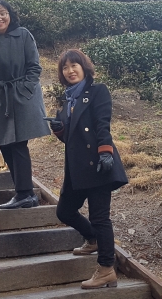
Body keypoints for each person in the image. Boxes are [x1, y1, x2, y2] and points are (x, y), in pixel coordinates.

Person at [50, 49, 128, 289]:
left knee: (100, 217)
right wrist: (60, 130)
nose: (70, 70)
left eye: (74, 65)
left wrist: (105, 152)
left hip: (98, 164)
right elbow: (72, 140)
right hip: (77, 168)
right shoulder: (67, 101)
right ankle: (92, 238)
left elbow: (102, 124)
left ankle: (106, 269)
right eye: (65, 67)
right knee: (64, 211)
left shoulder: (97, 91)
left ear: (84, 67)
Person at [0, 0, 50, 209]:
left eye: (3, 13)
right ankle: (24, 193)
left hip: (22, 95)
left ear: (10, 15)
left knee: (18, 143)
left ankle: (25, 193)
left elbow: (34, 67)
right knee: (5, 143)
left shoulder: (23, 34)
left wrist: (25, 90)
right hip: (2, 96)